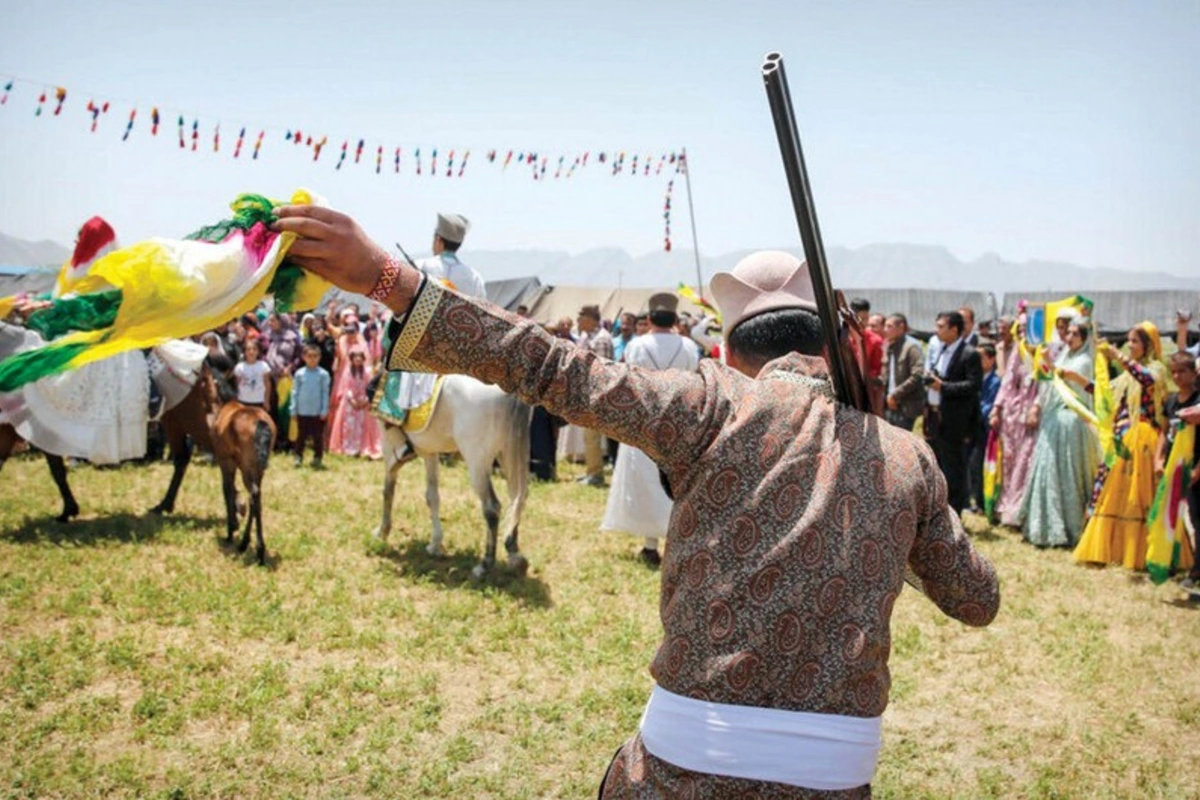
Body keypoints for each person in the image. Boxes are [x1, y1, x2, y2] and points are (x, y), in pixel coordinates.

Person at [271, 205, 1000, 796]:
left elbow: (553, 366)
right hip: (838, 779)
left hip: (685, 766)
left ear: (728, 352)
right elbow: (977, 599)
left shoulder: (710, 405)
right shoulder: (905, 455)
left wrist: (387, 279)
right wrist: (897, 505)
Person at [600, 293, 699, 567]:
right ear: (675, 319)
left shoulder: (637, 346)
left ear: (651, 318)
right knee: (679, 484)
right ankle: (675, 544)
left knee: (647, 484)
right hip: (681, 423)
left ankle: (650, 545)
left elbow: (628, 379)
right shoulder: (689, 346)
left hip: (646, 423)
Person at [1074, 322, 1169, 569]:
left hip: (1143, 441)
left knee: (1137, 495)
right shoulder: (1126, 376)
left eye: (1135, 341)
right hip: (1121, 439)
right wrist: (1072, 378)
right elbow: (1103, 392)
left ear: (1148, 345)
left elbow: (1146, 379)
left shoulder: (1156, 369)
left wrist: (1116, 355)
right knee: (1110, 490)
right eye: (1128, 341)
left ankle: (1141, 551)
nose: (1130, 345)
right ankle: (1110, 549)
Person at [1021, 320, 1100, 547]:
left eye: (1075, 334)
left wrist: (1047, 360)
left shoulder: (1084, 361)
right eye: (1069, 333)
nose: (1070, 337)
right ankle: (1042, 527)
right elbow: (1048, 379)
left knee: (1068, 473)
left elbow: (1064, 376)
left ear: (1085, 338)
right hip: (1054, 419)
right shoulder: (1066, 354)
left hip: (1071, 420)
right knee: (1048, 469)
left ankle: (1070, 527)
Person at [924, 311, 983, 515]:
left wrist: (944, 387)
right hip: (935, 417)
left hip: (954, 422)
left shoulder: (970, 354)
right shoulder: (941, 350)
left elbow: (973, 386)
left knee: (954, 470)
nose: (936, 330)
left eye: (941, 327)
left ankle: (954, 514)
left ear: (954, 330)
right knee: (937, 467)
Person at [987, 314, 1041, 527]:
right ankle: (1006, 508)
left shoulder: (1042, 354)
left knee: (1025, 462)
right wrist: (996, 409)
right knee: (1009, 461)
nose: (1021, 335)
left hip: (1030, 416)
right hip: (1011, 415)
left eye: (1025, 330)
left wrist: (1036, 407)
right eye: (1018, 331)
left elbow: (1045, 386)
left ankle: (1020, 511)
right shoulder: (1018, 352)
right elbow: (1007, 381)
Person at [1158, 351, 1199, 580]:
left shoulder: (1198, 401)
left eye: (1182, 371)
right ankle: (1170, 561)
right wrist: (1158, 458)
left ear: (1194, 373)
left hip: (1193, 469)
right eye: (1173, 372)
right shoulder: (1172, 400)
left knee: (1195, 519)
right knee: (1169, 516)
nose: (1177, 376)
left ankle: (1196, 570)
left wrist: (1197, 471)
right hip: (1173, 468)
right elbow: (1164, 432)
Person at [575, 303, 614, 487]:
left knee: (593, 436)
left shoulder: (601, 339)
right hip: (585, 391)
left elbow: (602, 371)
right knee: (588, 437)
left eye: (580, 318)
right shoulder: (587, 336)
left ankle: (596, 475)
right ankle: (592, 471)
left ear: (590, 319)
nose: (578, 321)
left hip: (595, 393)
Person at [967, 343, 1001, 514]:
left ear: (991, 359)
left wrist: (974, 411)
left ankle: (980, 502)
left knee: (979, 464)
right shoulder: (975, 378)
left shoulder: (995, 382)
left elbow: (989, 405)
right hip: (971, 426)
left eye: (981, 357)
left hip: (983, 429)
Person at [328, 348, 381, 458]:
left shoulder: (367, 372)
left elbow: (370, 387)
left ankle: (363, 447)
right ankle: (349, 448)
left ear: (363, 359)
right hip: (350, 403)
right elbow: (345, 387)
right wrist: (352, 400)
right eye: (355, 357)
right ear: (351, 359)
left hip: (364, 402)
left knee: (364, 426)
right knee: (349, 426)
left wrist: (366, 400)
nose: (357, 359)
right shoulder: (347, 372)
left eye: (360, 357)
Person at [290, 343, 331, 468]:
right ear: (304, 357)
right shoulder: (299, 374)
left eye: (315, 356)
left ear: (319, 357)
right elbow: (295, 392)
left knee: (317, 437)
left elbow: (325, 393)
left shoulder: (323, 374)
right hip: (302, 410)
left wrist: (324, 410)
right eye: (309, 356)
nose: (312, 359)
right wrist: (293, 409)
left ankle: (317, 457)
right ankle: (298, 456)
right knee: (301, 436)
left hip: (317, 412)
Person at [882, 313, 924, 431]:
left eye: (889, 326)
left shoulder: (911, 347)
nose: (885, 330)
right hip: (890, 404)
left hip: (906, 406)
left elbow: (917, 375)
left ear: (901, 327)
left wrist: (895, 394)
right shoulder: (889, 346)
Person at [850, 298, 885, 415]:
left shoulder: (876, 341)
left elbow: (877, 370)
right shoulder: (842, 339)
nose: (863, 322)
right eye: (859, 318)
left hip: (866, 393)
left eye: (865, 318)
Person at [233, 338, 271, 408]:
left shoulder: (263, 366)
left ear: (258, 351)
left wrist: (267, 401)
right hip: (243, 401)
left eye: (254, 349)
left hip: (259, 401)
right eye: (248, 349)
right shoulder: (239, 367)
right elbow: (237, 384)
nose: (251, 352)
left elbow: (267, 385)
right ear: (244, 352)